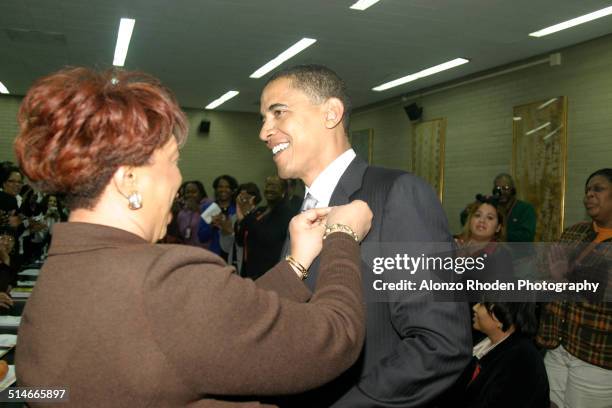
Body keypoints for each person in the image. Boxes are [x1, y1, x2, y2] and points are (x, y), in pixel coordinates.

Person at [13, 67, 374, 407]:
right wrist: (342, 235)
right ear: (128, 181)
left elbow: (220, 322)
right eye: (172, 162)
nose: (178, 179)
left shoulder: (62, 272)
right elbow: (334, 339)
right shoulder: (164, 279)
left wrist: (296, 263)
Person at [259, 64, 471, 407]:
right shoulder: (302, 212)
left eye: (278, 112)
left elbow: (440, 344)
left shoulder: (397, 194)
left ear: (331, 113)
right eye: (263, 118)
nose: (264, 131)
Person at [536, 168, 612, 408]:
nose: (589, 195)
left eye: (598, 189)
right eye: (587, 190)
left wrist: (564, 280)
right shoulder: (574, 232)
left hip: (596, 356)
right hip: (556, 346)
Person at [440, 302, 549, 408]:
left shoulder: (522, 362)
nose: (475, 307)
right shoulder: (486, 341)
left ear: (498, 315)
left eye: (482, 304)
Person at [236, 176, 297, 280]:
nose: (269, 189)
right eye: (268, 185)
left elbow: (267, 237)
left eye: (274, 186)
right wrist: (241, 214)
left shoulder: (287, 214)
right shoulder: (260, 210)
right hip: (249, 271)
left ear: (283, 191)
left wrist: (247, 215)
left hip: (269, 273)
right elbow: (240, 239)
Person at [198, 174, 238, 260]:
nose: (223, 190)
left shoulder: (237, 209)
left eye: (227, 187)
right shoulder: (209, 208)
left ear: (232, 190)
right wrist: (211, 225)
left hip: (235, 254)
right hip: (216, 255)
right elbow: (202, 237)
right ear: (216, 189)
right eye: (220, 187)